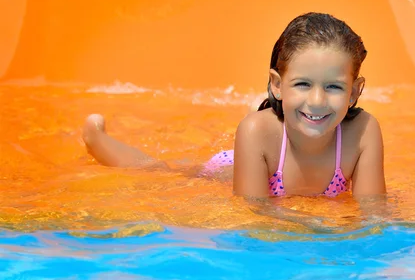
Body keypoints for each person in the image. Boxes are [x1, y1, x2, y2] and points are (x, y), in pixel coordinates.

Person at [82, 13, 386, 220]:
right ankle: (96, 138)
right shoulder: (257, 132)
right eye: (302, 84)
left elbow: (373, 214)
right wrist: (316, 228)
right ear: (278, 85)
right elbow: (255, 216)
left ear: (355, 91)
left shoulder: (363, 132)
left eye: (333, 86)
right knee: (161, 172)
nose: (317, 101)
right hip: (238, 168)